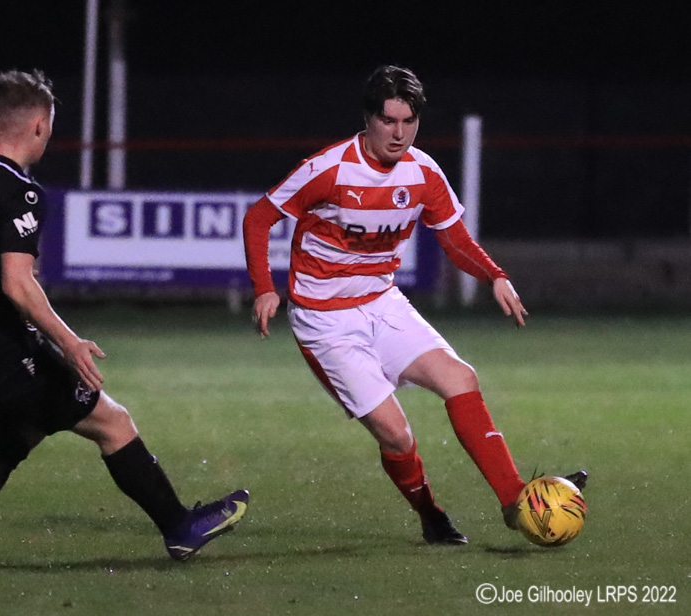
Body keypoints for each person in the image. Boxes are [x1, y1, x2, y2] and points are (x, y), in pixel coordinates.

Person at [0, 69, 248, 570]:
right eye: (51, 127)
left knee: (29, 423)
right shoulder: (21, 191)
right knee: (113, 422)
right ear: (39, 125)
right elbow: (18, 283)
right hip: (0, 350)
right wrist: (70, 341)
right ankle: (179, 528)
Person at [243, 65, 585, 544]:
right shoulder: (330, 169)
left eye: (409, 121)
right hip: (326, 322)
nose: (399, 133)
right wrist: (264, 286)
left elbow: (454, 238)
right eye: (389, 121)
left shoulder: (423, 172)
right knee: (398, 437)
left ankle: (515, 503)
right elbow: (259, 218)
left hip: (383, 302)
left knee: (461, 378)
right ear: (368, 119)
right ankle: (430, 515)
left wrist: (495, 276)